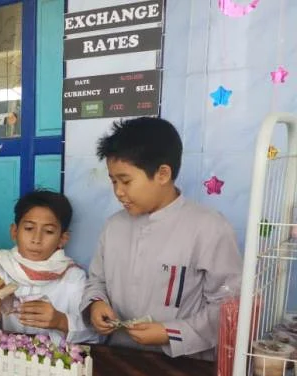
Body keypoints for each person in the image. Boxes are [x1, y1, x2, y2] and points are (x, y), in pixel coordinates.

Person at [81, 117, 242, 359]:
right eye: (113, 181)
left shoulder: (209, 227)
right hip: (120, 356)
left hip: (185, 363)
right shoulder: (114, 227)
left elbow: (228, 306)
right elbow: (97, 281)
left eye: (125, 181)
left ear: (162, 174)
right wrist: (96, 304)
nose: (118, 192)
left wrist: (171, 332)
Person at [0, 190, 96, 344]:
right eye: (29, 229)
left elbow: (94, 334)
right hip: (4, 358)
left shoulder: (73, 276)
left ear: (62, 239)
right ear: (14, 232)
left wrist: (60, 321)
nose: (36, 239)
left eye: (49, 231)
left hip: (51, 362)